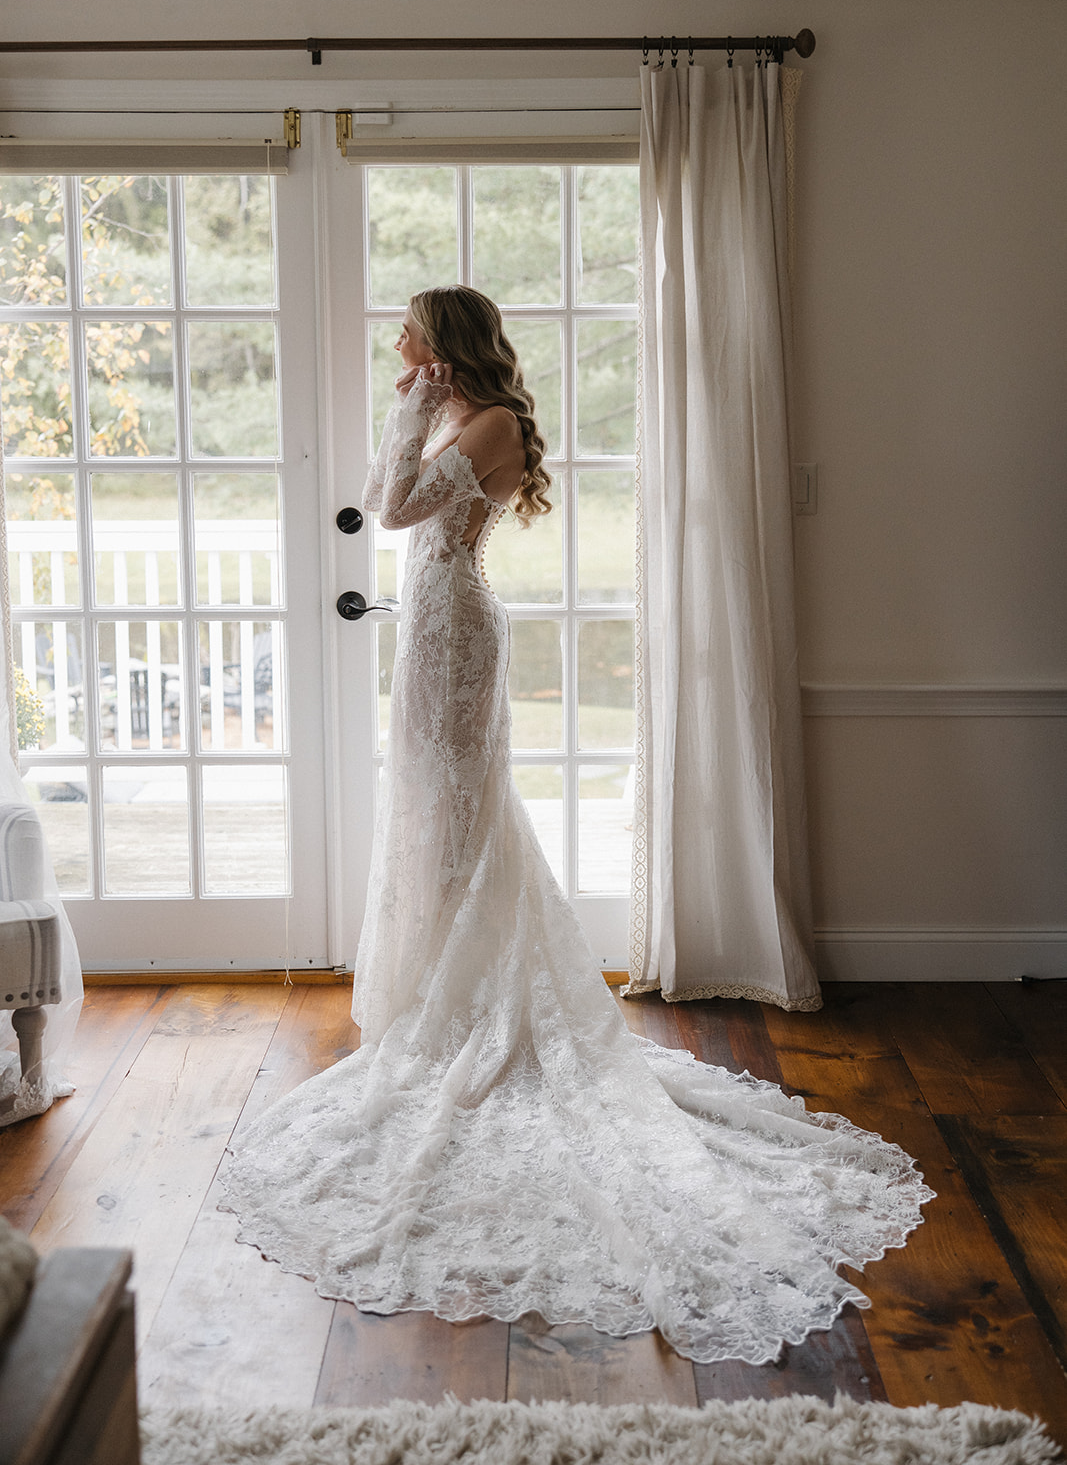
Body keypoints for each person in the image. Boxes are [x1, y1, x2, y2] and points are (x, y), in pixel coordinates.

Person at [222, 285, 931, 1364]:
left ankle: (483, 1000)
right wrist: (410, 408)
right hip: (428, 632)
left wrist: (413, 410)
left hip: (456, 625)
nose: (396, 345)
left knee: (462, 810)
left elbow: (405, 511)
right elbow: (380, 500)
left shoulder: (492, 421)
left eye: (409, 330)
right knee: (431, 815)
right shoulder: (449, 410)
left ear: (445, 339)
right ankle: (438, 994)